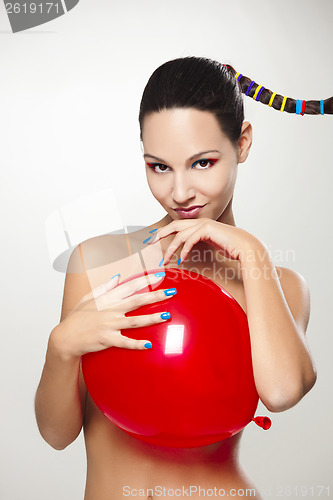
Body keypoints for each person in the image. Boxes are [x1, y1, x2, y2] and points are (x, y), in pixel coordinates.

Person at [35, 56, 326, 499]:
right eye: (160, 166)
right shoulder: (96, 261)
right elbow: (57, 435)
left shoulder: (276, 283)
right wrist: (60, 347)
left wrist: (251, 250)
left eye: (203, 163)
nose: (180, 192)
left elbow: (283, 392)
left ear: (242, 144)